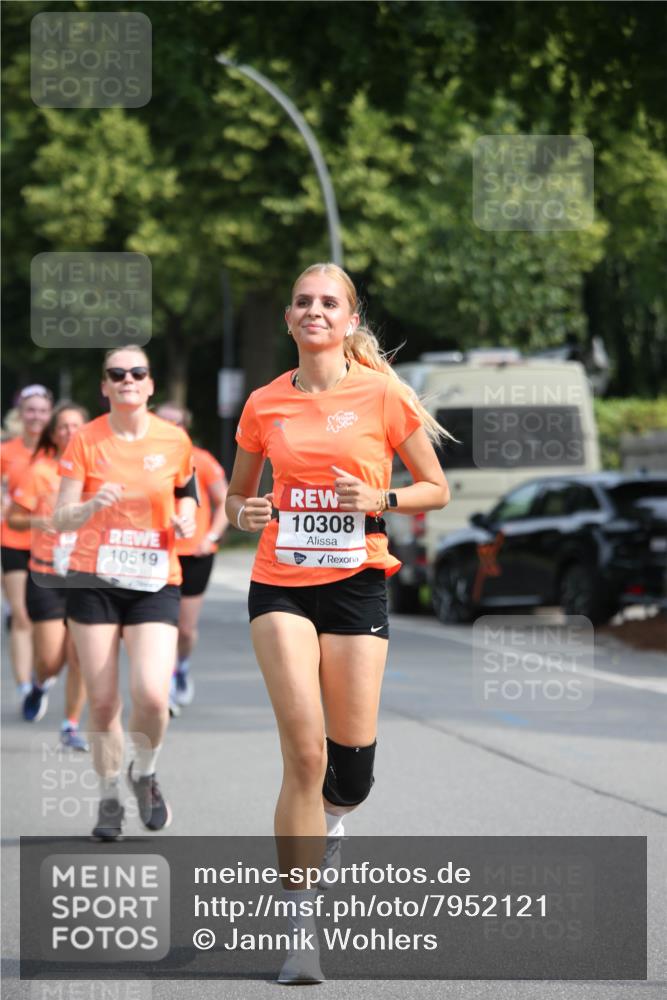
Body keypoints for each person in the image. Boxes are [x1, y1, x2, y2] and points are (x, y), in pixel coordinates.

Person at [225, 262, 450, 983]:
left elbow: (435, 489)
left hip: (356, 584)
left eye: (328, 302)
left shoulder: (381, 394)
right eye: (302, 302)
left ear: (349, 321)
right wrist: (245, 512)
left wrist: (377, 497)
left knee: (349, 774)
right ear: (287, 320)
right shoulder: (264, 403)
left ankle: (335, 816)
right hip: (280, 581)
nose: (313, 311)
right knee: (303, 755)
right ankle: (300, 929)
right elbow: (234, 499)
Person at [53, 346, 197, 841]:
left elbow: (189, 496)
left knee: (153, 698)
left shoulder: (174, 440)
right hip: (94, 578)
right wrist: (91, 504)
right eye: (117, 374)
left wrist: (187, 519)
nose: (128, 380)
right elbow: (60, 515)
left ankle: (146, 772)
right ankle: (110, 795)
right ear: (105, 386)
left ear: (151, 385)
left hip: (155, 579)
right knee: (104, 703)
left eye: (137, 373)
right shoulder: (86, 441)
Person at [7, 402, 89, 749]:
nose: (70, 433)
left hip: (87, 575)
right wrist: (43, 521)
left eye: (76, 426)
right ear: (54, 434)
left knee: (80, 655)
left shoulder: (102, 469)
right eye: (63, 428)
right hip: (46, 575)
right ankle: (40, 683)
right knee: (51, 659)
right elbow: (13, 519)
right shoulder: (38, 470)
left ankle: (70, 725)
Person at [155, 403, 229, 713]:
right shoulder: (148, 460)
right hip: (158, 552)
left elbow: (225, 501)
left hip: (196, 553)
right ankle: (165, 686)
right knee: (162, 625)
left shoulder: (203, 460)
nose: (171, 428)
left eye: (177, 423)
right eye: (164, 423)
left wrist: (211, 536)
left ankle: (181, 666)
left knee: (185, 629)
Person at [1, 385, 53, 701]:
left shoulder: (58, 452)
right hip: (14, 540)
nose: (36, 416)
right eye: (30, 410)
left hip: (50, 544)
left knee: (45, 618)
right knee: (21, 615)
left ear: (50, 415)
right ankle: (23, 686)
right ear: (21, 413)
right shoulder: (6, 452)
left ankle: (39, 676)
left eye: (42, 411)